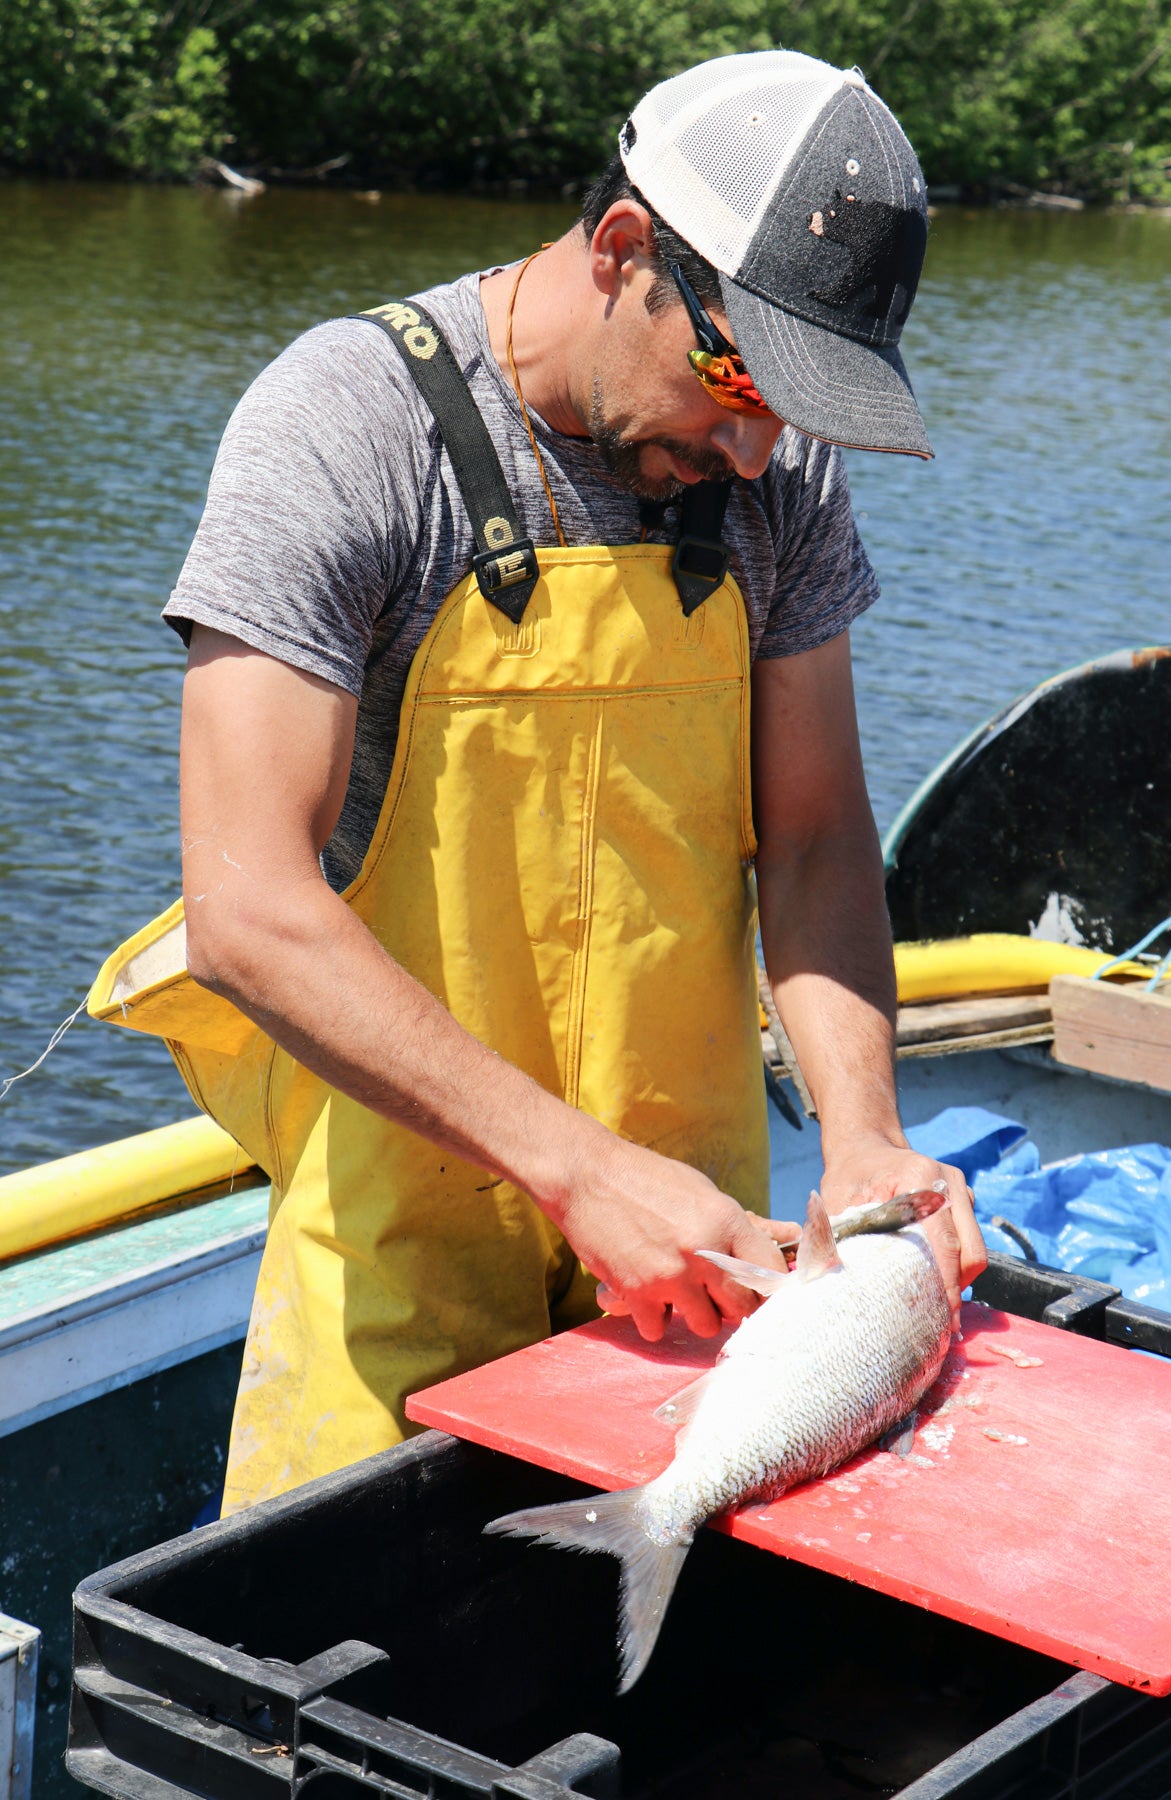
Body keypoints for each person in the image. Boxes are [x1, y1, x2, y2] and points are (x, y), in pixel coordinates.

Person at [90, 49, 986, 1515]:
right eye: (741, 376)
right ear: (626, 250)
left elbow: (816, 839)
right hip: (403, 1267)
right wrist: (579, 1174)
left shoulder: (776, 479)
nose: (761, 447)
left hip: (708, 1284)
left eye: (798, 402)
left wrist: (866, 1128)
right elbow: (245, 902)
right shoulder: (348, 428)